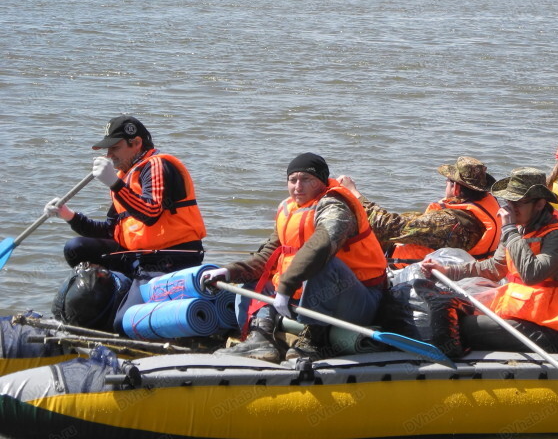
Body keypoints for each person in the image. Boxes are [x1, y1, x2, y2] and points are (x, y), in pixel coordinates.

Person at [205, 153, 388, 363]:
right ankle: (260, 340)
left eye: (306, 180)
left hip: (358, 298)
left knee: (325, 264)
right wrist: (230, 271)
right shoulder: (289, 209)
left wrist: (286, 285)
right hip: (305, 296)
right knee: (254, 280)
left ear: (321, 182)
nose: (298, 187)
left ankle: (314, 340)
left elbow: (322, 244)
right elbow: (269, 255)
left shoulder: (335, 206)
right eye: (293, 180)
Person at [421, 167, 558, 353]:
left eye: (518, 203)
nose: (510, 209)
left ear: (539, 204)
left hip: (549, 328)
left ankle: (453, 360)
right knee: (450, 307)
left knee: (461, 326)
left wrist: (509, 230)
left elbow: (532, 274)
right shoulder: (520, 228)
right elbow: (495, 267)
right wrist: (448, 271)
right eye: (509, 201)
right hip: (520, 315)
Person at [45, 115, 206, 278]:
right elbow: (110, 230)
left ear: (136, 143)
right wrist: (68, 215)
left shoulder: (156, 164)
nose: (109, 155)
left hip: (172, 255)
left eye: (114, 148)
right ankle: (113, 286)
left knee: (131, 300)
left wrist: (114, 183)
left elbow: (150, 213)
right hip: (138, 255)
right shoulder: (124, 177)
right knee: (76, 247)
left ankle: (130, 288)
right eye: (108, 150)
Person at [344, 157, 501, 268]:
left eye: (447, 180)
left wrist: (354, 194)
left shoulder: (449, 223)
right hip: (464, 268)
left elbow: (385, 226)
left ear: (456, 188)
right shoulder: (483, 209)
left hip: (412, 272)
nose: (445, 183)